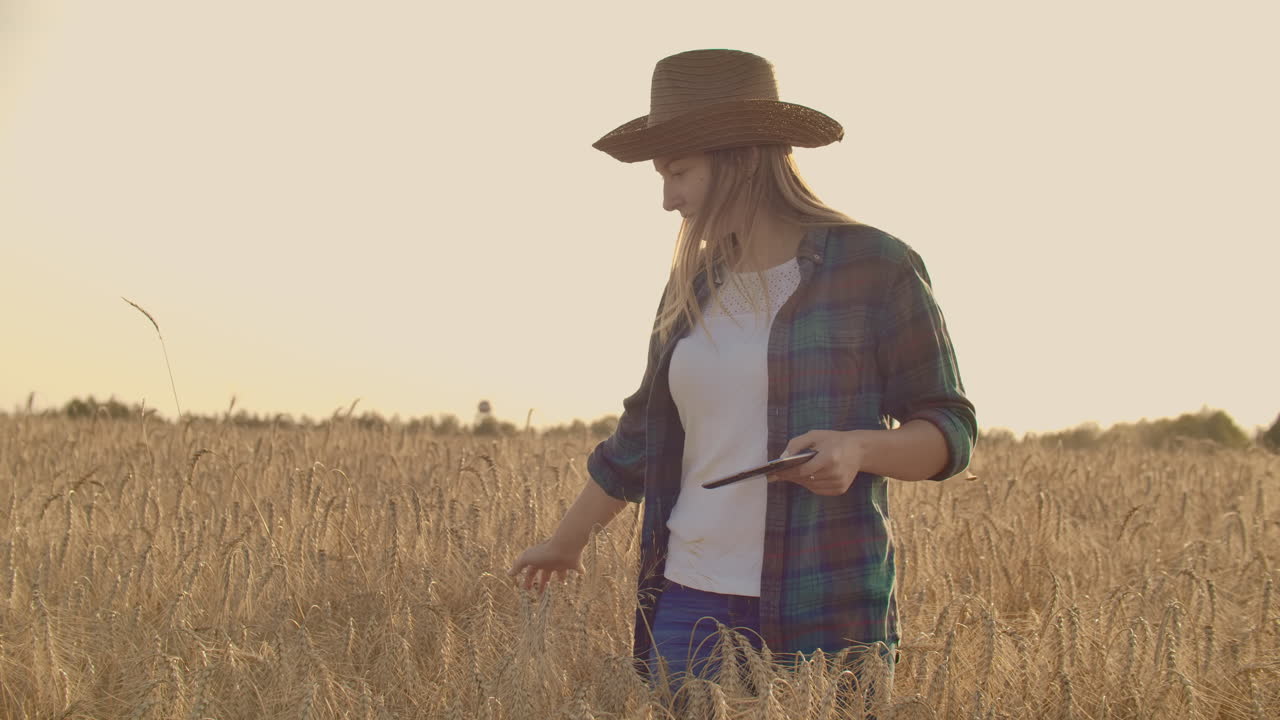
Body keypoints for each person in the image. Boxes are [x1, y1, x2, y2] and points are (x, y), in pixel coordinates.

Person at [508, 48, 976, 711]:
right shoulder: (694, 285)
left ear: (741, 157)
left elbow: (951, 428)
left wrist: (858, 449)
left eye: (678, 173)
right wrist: (565, 541)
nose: (667, 198)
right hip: (688, 602)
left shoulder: (877, 266)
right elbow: (639, 437)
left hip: (825, 611)